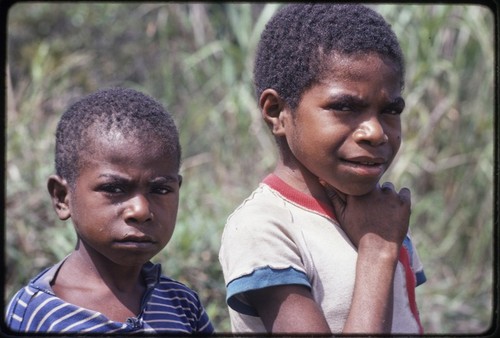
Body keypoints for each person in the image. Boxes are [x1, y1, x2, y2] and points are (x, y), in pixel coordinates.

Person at [218, 3, 426, 334]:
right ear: (277, 112)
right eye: (344, 107)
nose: (375, 132)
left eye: (390, 110)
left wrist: (383, 241)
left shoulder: (382, 213)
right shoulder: (263, 228)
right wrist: (376, 254)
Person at [5, 87, 214, 334]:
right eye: (114, 188)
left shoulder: (182, 305)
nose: (140, 210)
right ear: (62, 197)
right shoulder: (36, 312)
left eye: (160, 190)